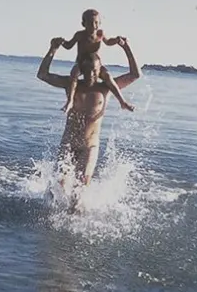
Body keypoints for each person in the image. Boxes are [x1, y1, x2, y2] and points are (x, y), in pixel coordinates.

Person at [38, 11, 141, 197]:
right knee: (57, 190)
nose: (90, 74)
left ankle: (77, 211)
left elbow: (135, 74)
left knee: (79, 192)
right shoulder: (71, 86)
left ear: (100, 70)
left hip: (90, 146)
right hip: (68, 144)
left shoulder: (106, 88)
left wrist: (126, 47)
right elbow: (43, 75)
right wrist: (52, 50)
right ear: (80, 70)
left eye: (94, 70)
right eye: (86, 70)